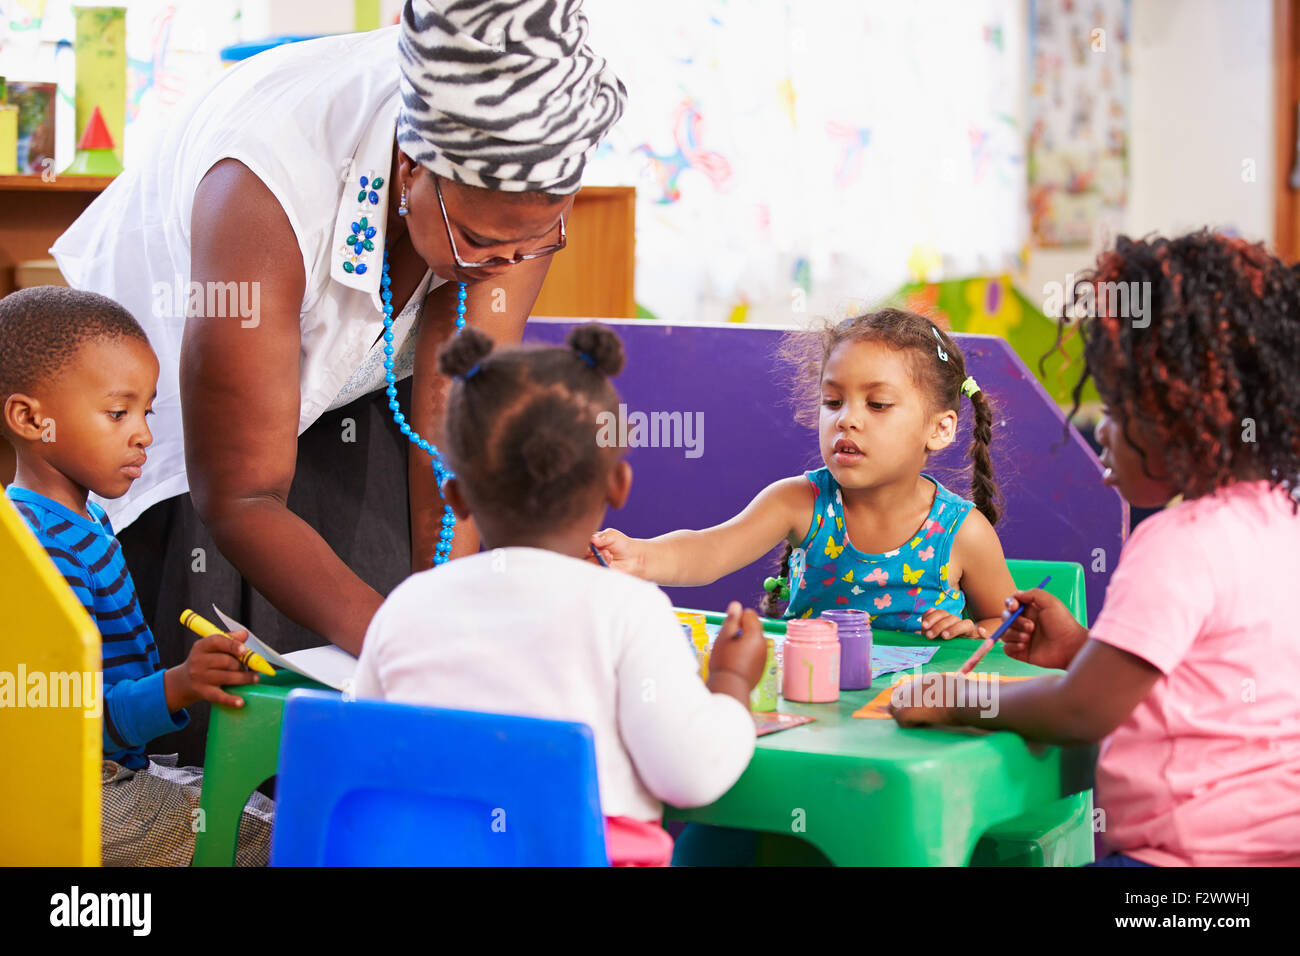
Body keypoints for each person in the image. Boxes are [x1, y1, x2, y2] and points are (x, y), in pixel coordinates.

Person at [47, 0, 626, 765]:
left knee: (392, 610)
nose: (506, 267)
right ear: (412, 169)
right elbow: (242, 495)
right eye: (483, 241)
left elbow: (450, 430)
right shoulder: (263, 189)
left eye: (534, 241)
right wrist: (402, 646)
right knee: (245, 692)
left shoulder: (521, 178)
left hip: (359, 364)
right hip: (195, 381)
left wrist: (451, 622)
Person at [891, 232, 1300, 867]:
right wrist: (1084, 651)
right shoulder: (1280, 516)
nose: (1100, 428)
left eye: (1112, 405)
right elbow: (1209, 680)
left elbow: (1081, 710)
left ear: (1177, 414)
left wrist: (955, 697)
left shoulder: (1179, 541)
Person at [354, 323, 768, 866]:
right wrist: (731, 681)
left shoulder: (406, 606)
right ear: (618, 484)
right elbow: (691, 776)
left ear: (455, 496)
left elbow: (361, 756)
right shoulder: (628, 610)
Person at [0, 287, 273, 866]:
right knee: (262, 840)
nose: (144, 433)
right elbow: (70, 721)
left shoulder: (79, 520)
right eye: (118, 412)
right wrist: (178, 683)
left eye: (146, 412)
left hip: (111, 768)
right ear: (30, 419)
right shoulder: (42, 546)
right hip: (82, 789)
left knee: (257, 811)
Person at [591, 308, 1015, 639]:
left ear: (940, 428)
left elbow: (1006, 624)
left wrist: (975, 632)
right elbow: (710, 551)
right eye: (833, 401)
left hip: (911, 721)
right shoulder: (799, 501)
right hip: (812, 709)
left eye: (878, 404)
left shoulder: (963, 532)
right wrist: (640, 558)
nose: (847, 420)